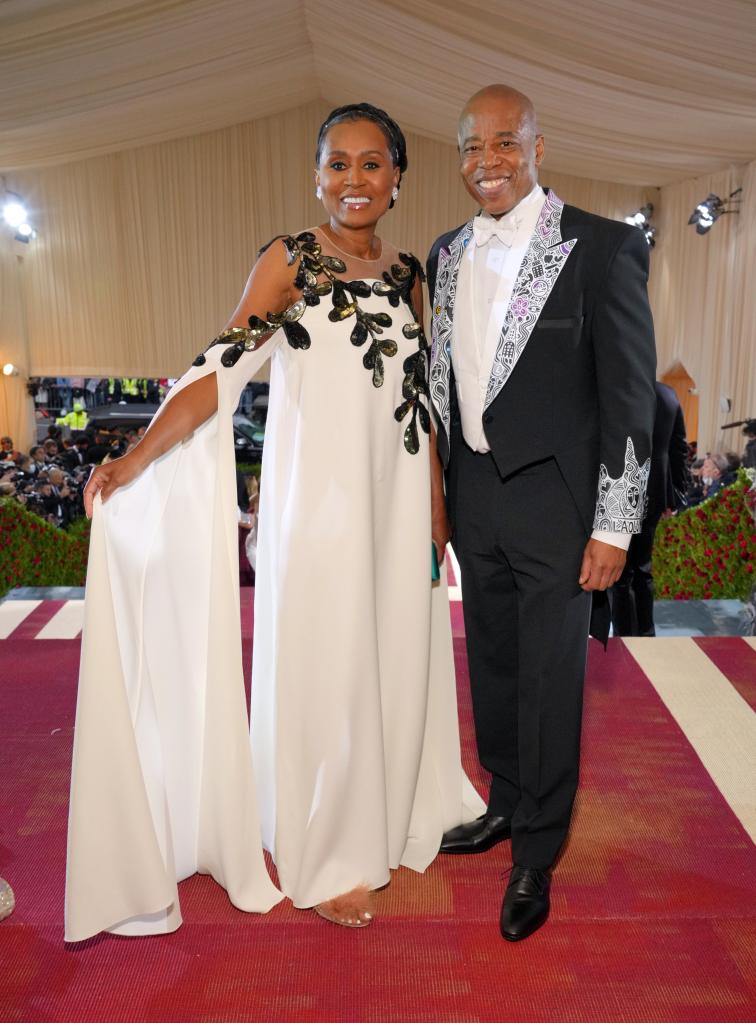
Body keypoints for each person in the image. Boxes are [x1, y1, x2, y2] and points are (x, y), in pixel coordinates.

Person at [65, 103, 483, 943]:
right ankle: (325, 851)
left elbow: (421, 397)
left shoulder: (409, 273)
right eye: (337, 163)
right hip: (320, 508)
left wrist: (436, 502)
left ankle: (395, 801)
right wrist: (137, 454)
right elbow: (221, 364)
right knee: (327, 664)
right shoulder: (290, 259)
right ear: (316, 174)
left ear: (399, 179)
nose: (352, 180)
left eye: (371, 164)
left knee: (395, 651)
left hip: (398, 504)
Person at [426, 85, 656, 941]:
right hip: (477, 493)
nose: (486, 160)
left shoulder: (603, 247)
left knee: (552, 676)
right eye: (469, 145)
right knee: (491, 658)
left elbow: (630, 397)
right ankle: (505, 800)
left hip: (561, 505)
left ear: (538, 146)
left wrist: (614, 523)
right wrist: (443, 498)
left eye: (503, 142)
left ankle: (538, 849)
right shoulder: (446, 252)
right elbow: (444, 384)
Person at [611, 382, 688, 636]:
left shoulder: (625, 390)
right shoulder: (668, 394)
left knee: (621, 573)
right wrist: (675, 495)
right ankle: (646, 632)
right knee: (643, 568)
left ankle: (625, 636)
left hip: (625, 486)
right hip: (657, 489)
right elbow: (680, 449)